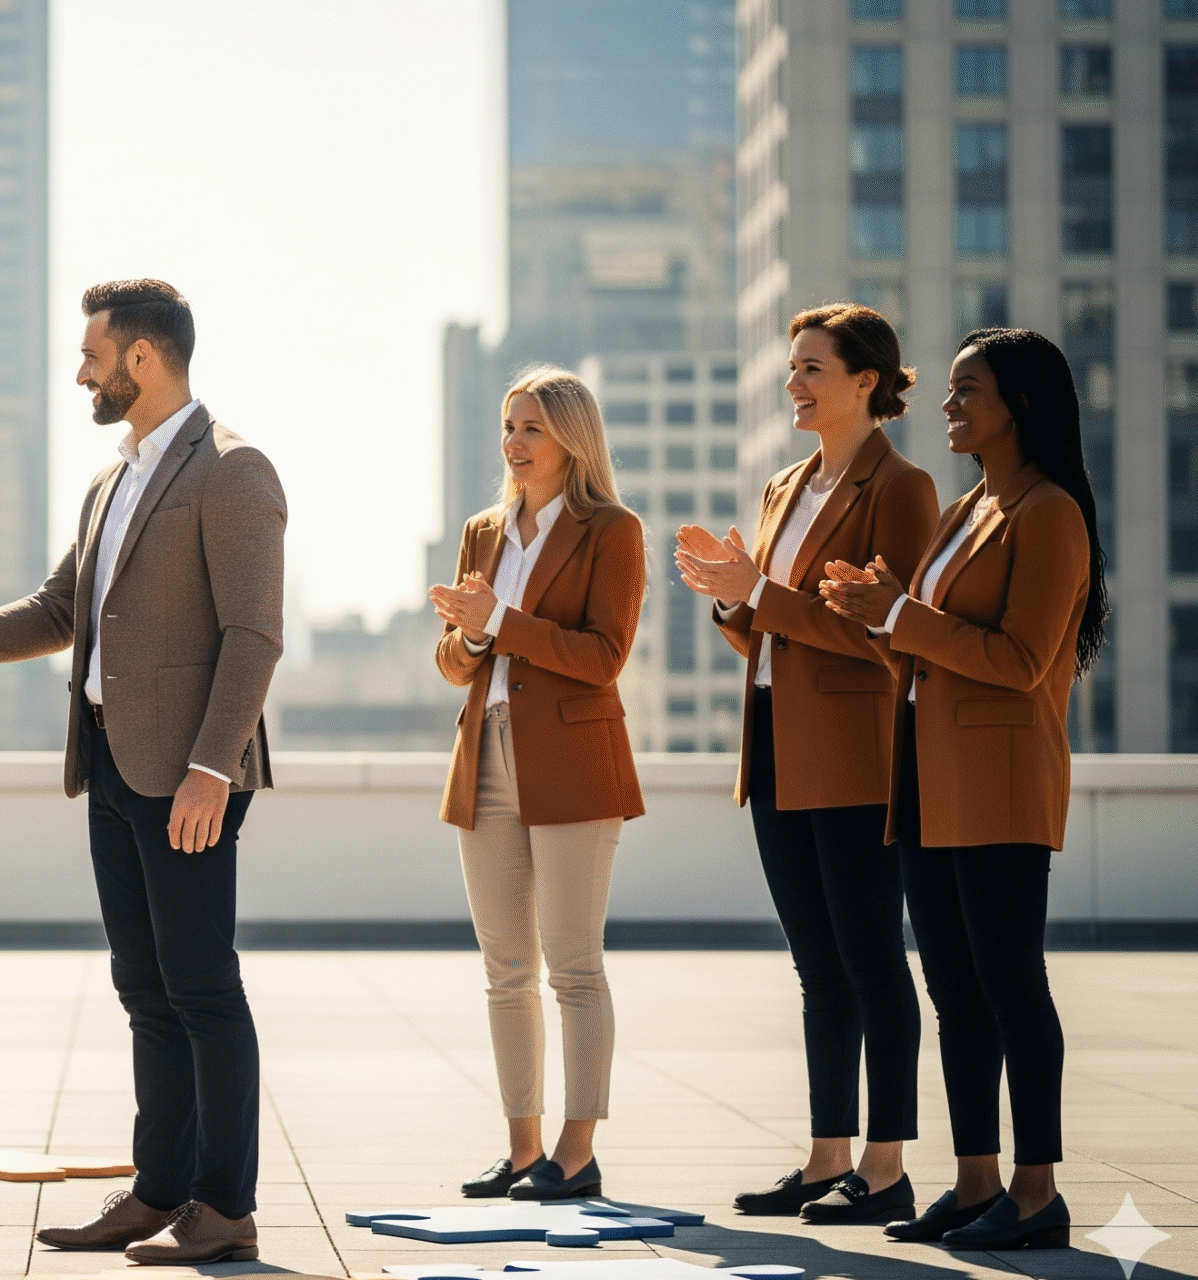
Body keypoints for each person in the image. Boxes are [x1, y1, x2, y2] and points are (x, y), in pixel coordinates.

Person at [0, 280, 286, 1267]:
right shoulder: (111, 481)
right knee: (143, 985)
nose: (81, 371)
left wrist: (208, 769)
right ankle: (158, 1188)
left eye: (91, 355)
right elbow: (60, 607)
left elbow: (253, 635)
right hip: (107, 763)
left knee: (202, 985)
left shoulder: (233, 469)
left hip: (185, 775)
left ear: (142, 356)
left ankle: (224, 1203)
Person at [821, 328, 1107, 1252]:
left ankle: (1036, 1191)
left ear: (1018, 404)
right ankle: (976, 1180)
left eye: (965, 391)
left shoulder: (1049, 512)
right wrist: (874, 613)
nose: (947, 406)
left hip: (1003, 780)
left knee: (1011, 984)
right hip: (930, 781)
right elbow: (923, 640)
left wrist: (903, 614)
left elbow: (1022, 661)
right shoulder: (969, 507)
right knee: (954, 987)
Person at [678, 306, 937, 1223]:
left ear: (867, 381)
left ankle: (887, 1164)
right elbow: (770, 627)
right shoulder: (785, 485)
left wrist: (763, 596)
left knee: (871, 960)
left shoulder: (902, 489)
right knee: (816, 967)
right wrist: (730, 600)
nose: (793, 383)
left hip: (858, 754)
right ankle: (829, 1156)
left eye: (811, 369)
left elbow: (887, 638)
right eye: (792, 368)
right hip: (777, 744)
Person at [427, 368, 644, 1204]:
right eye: (510, 427)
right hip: (485, 759)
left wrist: (502, 624)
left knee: (574, 967)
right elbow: (450, 660)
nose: (514, 445)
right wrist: (473, 642)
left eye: (532, 430)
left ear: (571, 443)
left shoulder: (611, 531)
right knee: (504, 968)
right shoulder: (484, 531)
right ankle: (522, 1151)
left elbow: (603, 657)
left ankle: (577, 1151)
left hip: (573, 763)